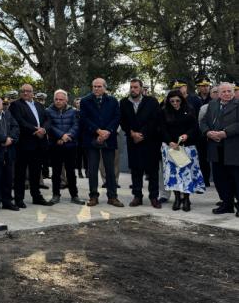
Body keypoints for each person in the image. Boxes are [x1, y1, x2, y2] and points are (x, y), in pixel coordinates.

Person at [79, 78, 123, 207]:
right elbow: (84, 119)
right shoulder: (85, 101)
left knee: (110, 169)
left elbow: (117, 117)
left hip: (109, 138)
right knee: (92, 169)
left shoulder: (113, 101)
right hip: (92, 138)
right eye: (94, 86)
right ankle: (93, 196)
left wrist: (107, 132)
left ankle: (112, 197)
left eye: (99, 86)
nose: (96, 89)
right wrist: (98, 131)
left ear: (105, 87)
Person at [159, 90, 205, 211]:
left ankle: (187, 199)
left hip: (187, 147)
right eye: (172, 100)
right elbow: (162, 129)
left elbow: (194, 126)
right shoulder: (164, 111)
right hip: (171, 148)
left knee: (186, 175)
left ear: (182, 100)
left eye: (177, 100)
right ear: (168, 101)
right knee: (173, 175)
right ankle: (177, 198)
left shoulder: (189, 109)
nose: (175, 103)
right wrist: (170, 142)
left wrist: (187, 135)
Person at [119, 78, 162, 208]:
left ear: (142, 89)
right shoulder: (124, 102)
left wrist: (142, 134)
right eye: (131, 87)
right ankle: (137, 196)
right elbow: (122, 120)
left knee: (153, 171)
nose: (133, 89)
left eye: (136, 87)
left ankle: (154, 197)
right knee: (136, 170)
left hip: (150, 141)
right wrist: (132, 133)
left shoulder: (152, 102)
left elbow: (155, 121)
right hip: (133, 142)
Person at [9, 83, 52, 207]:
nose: (25, 93)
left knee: (35, 172)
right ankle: (19, 199)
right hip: (24, 144)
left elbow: (48, 120)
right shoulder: (15, 105)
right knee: (20, 173)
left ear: (33, 93)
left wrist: (43, 129)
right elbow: (19, 121)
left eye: (28, 91)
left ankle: (36, 196)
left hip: (39, 144)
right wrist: (35, 130)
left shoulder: (39, 105)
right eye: (23, 91)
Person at [200, 82, 239, 216]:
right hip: (215, 148)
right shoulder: (212, 104)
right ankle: (226, 204)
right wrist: (208, 132)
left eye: (229, 91)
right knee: (220, 178)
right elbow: (203, 122)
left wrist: (224, 133)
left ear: (233, 92)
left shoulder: (237, 104)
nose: (227, 94)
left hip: (233, 148)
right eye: (224, 92)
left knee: (236, 178)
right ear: (218, 93)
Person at [45, 90, 85, 204]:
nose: (58, 101)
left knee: (71, 172)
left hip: (70, 145)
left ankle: (74, 196)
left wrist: (67, 137)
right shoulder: (48, 111)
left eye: (61, 99)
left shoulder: (73, 111)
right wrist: (61, 136)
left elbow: (76, 126)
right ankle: (55, 195)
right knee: (56, 172)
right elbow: (49, 126)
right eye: (56, 99)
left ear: (66, 100)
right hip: (55, 145)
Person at [73, 97, 87, 179]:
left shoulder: (86, 112)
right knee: (79, 156)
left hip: (85, 136)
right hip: (77, 137)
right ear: (75, 104)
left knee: (86, 156)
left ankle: (87, 171)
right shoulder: (74, 113)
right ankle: (79, 172)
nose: (79, 104)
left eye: (80, 102)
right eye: (77, 103)